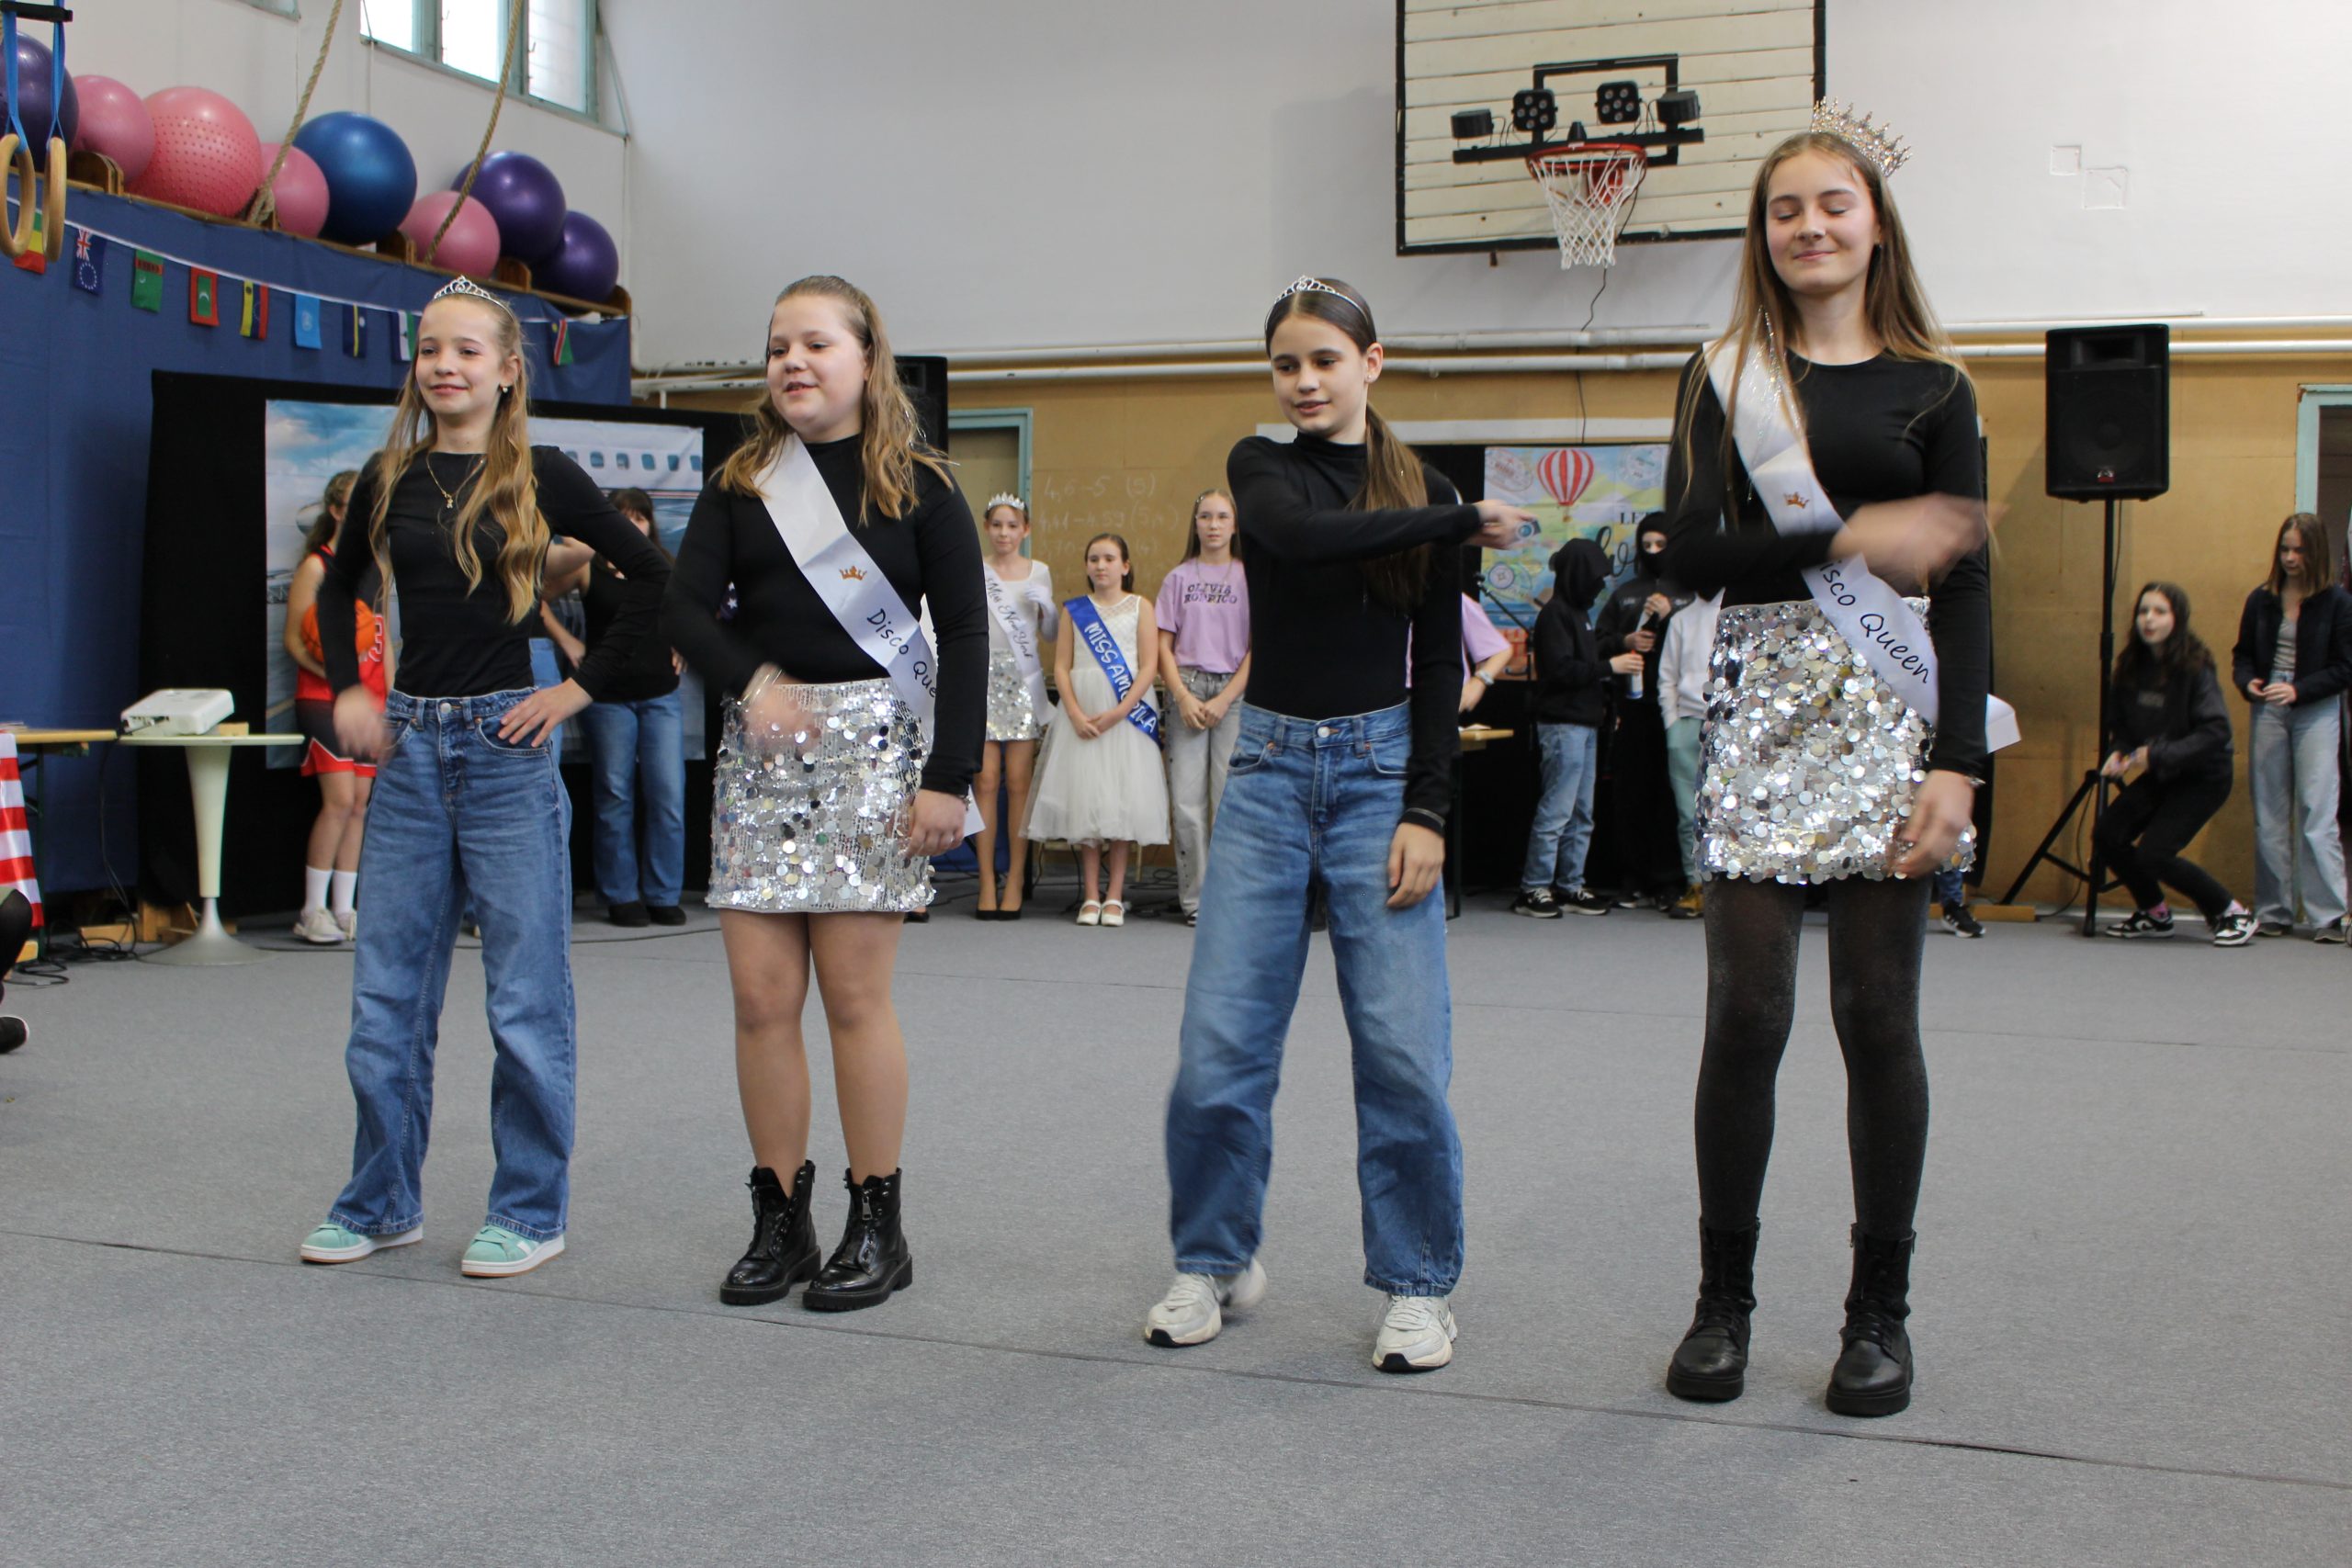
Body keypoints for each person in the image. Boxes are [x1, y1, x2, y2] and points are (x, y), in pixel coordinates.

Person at [1657, 127, 1993, 1418]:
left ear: (1875, 222)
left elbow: (1967, 585)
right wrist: (1854, 534)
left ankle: (1877, 1315)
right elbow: (1690, 550)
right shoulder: (1725, 374)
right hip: (1760, 710)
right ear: (1764, 233)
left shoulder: (1938, 388)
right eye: (1785, 209)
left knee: (1877, 1018)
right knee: (1746, 1014)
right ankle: (1721, 1304)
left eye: (1833, 204)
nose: (1809, 226)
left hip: (1890, 715)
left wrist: (1958, 763)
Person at [1148, 276, 1528, 1374]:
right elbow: (1303, 539)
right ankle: (1213, 1258)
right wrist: (1458, 522)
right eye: (1286, 364)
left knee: (1401, 1054)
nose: (1304, 381)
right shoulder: (1262, 468)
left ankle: (1418, 1285)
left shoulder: (1423, 487)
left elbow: (1436, 667)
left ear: (1372, 362)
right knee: (1217, 1051)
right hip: (1267, 772)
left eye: (1324, 360)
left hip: (1379, 775)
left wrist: (1427, 808)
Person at [299, 277, 671, 1279]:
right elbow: (336, 586)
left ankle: (530, 1210)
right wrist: (351, 689)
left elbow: (653, 578)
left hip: (507, 752)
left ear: (508, 370)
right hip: (412, 752)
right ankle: (380, 1202)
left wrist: (577, 690)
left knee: (525, 1001)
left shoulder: (545, 474)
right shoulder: (390, 476)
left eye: (467, 351)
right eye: (430, 349)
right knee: (385, 999)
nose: (444, 366)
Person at [663, 274, 984, 1313]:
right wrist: (750, 682)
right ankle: (780, 1220)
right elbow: (684, 610)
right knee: (761, 1004)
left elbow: (966, 635)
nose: (792, 362)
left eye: (814, 344)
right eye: (776, 348)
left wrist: (949, 777)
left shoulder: (922, 487)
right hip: (762, 761)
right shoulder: (743, 482)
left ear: (866, 357)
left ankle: (877, 1223)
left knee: (853, 1002)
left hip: (877, 759)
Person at [540, 487, 687, 929]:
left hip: (661, 694)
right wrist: (568, 640)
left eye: (640, 517)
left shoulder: (664, 565)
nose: (633, 525)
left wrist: (682, 641)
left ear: (650, 523)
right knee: (615, 795)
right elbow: (535, 598)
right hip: (606, 697)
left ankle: (663, 892)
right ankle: (621, 894)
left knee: (668, 795)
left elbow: (689, 613)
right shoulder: (587, 567)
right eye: (624, 516)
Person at [1024, 533, 1170, 926]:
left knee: (1121, 802)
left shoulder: (1141, 606)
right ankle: (1091, 895)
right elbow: (1061, 666)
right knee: (1087, 802)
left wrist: (1120, 711)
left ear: (1125, 566)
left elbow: (1148, 666)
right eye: (1093, 559)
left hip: (1126, 712)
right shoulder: (1075, 610)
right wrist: (1073, 712)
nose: (1100, 565)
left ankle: (1115, 896)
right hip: (1083, 711)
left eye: (1108, 558)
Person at [2095, 582, 2253, 944]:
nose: (2148, 620)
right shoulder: (2130, 666)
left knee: (2155, 854)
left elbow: (2216, 730)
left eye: (2159, 612)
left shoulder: (2195, 666)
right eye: (2143, 611)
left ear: (2177, 618)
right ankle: (2154, 912)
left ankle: (2232, 912)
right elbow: (2123, 728)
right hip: (2163, 772)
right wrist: (2119, 752)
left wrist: (2156, 755)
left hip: (2205, 775)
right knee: (2108, 834)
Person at [2232, 513, 2352, 941]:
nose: (2289, 558)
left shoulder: (2338, 603)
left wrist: (2299, 690)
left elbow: (2345, 668)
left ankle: (2328, 915)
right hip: (2268, 708)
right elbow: (2242, 655)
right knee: (2269, 812)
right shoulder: (2260, 599)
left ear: (2315, 552)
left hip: (2315, 710)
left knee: (2317, 811)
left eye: (2299, 550)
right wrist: (2248, 682)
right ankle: (2274, 910)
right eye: (2284, 549)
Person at [283, 469, 382, 944]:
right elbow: (293, 642)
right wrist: (340, 681)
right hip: (326, 698)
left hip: (372, 700)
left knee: (360, 805)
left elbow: (382, 639)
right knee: (339, 802)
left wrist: (391, 697)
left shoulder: (378, 567)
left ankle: (345, 909)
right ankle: (312, 910)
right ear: (337, 511)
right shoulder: (317, 567)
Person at [1512, 539, 1638, 917]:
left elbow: (1581, 663)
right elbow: (1560, 670)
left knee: (1582, 812)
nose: (1599, 586)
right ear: (1578, 575)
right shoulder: (1555, 615)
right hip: (1562, 724)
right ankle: (1534, 887)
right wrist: (1610, 667)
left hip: (1583, 723)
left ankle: (1570, 884)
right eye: (1595, 577)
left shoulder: (1580, 614)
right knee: (1557, 810)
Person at [1155, 489, 1251, 924]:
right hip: (1187, 691)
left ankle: (1228, 899)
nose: (1213, 525)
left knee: (1229, 801)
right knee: (1187, 804)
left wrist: (1226, 698)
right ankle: (1195, 900)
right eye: (1205, 517)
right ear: (1195, 525)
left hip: (1234, 694)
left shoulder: (1249, 578)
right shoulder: (1178, 578)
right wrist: (1182, 696)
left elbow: (1257, 648)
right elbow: (1163, 645)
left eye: (1222, 517)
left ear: (1235, 525)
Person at [1595, 513, 1692, 908]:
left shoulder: (1689, 594)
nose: (1653, 552)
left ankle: (1669, 878)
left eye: (1660, 545)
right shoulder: (1625, 594)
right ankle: (1631, 876)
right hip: (1631, 707)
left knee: (1672, 795)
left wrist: (1669, 618)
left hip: (1678, 708)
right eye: (1646, 545)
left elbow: (1702, 642)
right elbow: (1598, 642)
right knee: (1630, 794)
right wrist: (1626, 640)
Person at [974, 493, 1056, 919]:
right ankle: (986, 879)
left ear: (1025, 530)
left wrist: (1047, 610)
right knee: (985, 781)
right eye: (997, 525)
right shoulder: (975, 569)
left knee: (1019, 783)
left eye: (1012, 526)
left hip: (1023, 682)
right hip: (983, 678)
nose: (1004, 533)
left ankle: (1016, 878)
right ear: (987, 527)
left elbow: (1051, 633)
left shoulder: (1038, 571)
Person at [1656, 587, 1722, 920]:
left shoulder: (1734, 610)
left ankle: (1725, 891)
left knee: (1723, 812)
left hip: (1726, 722)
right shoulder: (1681, 619)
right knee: (1688, 813)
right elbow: (1667, 676)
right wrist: (1672, 725)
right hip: (1685, 723)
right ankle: (1695, 885)